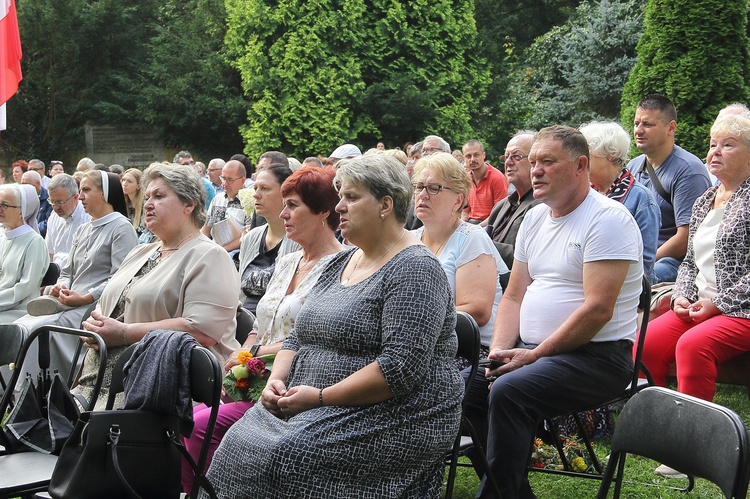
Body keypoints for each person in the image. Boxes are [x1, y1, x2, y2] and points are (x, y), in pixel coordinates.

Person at [204, 155, 462, 498]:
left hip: (396, 413)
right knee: (238, 443)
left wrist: (322, 398)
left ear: (386, 204)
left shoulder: (415, 269)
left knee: (288, 457)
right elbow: (298, 335)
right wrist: (276, 380)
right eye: (340, 196)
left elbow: (400, 369)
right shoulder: (340, 261)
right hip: (312, 401)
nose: (339, 206)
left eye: (352, 197)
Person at [467, 126, 643, 498]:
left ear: (581, 166)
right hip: (531, 352)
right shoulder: (534, 218)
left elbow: (598, 310)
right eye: (533, 162)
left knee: (511, 390)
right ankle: (514, 491)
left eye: (547, 161)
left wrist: (531, 356)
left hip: (597, 358)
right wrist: (498, 354)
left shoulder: (608, 220)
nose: (536, 170)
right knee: (470, 390)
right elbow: (513, 295)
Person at [183, 166, 343, 493]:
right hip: (254, 369)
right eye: (283, 204)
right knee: (189, 409)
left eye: (294, 205)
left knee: (201, 424)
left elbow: (308, 339)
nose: (283, 214)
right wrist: (240, 356)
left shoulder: (340, 267)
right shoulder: (288, 262)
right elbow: (260, 323)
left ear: (324, 211)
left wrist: (249, 356)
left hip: (292, 380)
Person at [75, 163, 240, 409]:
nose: (148, 204)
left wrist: (122, 333)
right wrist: (95, 325)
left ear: (189, 204)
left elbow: (201, 331)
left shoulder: (209, 256)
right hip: (97, 378)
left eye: (160, 196)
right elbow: (110, 301)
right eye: (148, 196)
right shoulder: (142, 250)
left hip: (158, 388)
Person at [640, 115, 750, 406]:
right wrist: (681, 296)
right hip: (700, 304)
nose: (715, 151)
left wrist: (718, 304)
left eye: (728, 145)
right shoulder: (705, 200)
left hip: (741, 310)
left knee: (692, 345)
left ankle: (693, 437)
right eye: (713, 144)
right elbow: (689, 261)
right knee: (645, 343)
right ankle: (654, 423)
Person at [15, 171, 138, 374]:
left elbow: (121, 280)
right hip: (70, 303)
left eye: (86, 190)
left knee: (37, 331)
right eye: (80, 191)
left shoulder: (121, 228)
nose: (80, 196)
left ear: (104, 193)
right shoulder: (84, 229)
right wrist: (61, 287)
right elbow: (67, 272)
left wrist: (85, 297)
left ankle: (35, 391)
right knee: (20, 326)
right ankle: (13, 390)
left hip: (94, 308)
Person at [412, 152, 506, 355]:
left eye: (434, 188)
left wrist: (415, 319)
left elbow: (478, 311)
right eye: (419, 187)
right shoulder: (410, 240)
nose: (422, 195)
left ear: (458, 201)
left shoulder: (471, 238)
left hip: (467, 351)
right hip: (422, 345)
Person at [628, 94, 710, 284]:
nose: (639, 130)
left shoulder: (688, 170)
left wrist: (641, 261)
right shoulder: (632, 167)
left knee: (630, 282)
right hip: (634, 256)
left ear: (671, 127)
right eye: (636, 123)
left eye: (647, 124)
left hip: (672, 262)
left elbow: (685, 239)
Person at [580, 121, 661, 277]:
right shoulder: (584, 193)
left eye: (587, 154)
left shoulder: (641, 199)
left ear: (610, 155)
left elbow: (644, 265)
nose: (581, 160)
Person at [237, 164, 299, 314]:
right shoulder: (251, 237)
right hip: (243, 320)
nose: (256, 195)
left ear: (285, 194)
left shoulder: (299, 240)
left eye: (265, 189)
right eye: (255, 188)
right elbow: (239, 292)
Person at [482, 131, 541, 268]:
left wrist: (482, 244)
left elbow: (529, 258)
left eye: (516, 156)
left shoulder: (542, 206)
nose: (508, 162)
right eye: (506, 157)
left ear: (535, 162)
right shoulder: (503, 204)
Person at [0, 184, 49, 322]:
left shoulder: (34, 242)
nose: (0, 209)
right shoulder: (4, 238)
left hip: (21, 309)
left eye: (4, 205)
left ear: (22, 210)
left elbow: (26, 286)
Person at [201, 160, 252, 252]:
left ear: (242, 180)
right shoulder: (217, 199)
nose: (225, 183)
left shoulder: (249, 201)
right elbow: (206, 229)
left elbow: (248, 235)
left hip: (237, 253)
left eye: (230, 180)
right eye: (223, 178)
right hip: (215, 249)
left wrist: (222, 250)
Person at [45, 173, 91, 268]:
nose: (55, 207)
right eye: (52, 201)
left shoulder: (88, 218)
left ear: (75, 197)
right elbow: (50, 253)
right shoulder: (54, 217)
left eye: (60, 202)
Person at [463, 139, 508, 223]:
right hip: (471, 223)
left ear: (483, 155)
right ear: (464, 158)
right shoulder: (466, 179)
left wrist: (477, 229)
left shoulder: (497, 178)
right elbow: (465, 211)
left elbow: (499, 213)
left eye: (476, 155)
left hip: (490, 225)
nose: (472, 159)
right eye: (468, 156)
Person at [20, 170, 53, 237]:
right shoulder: (20, 198)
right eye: (21, 184)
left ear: (38, 184)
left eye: (26, 184)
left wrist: (28, 231)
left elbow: (48, 224)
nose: (23, 187)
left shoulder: (49, 199)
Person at [121, 168, 145, 236]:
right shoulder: (122, 203)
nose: (124, 184)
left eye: (129, 181)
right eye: (123, 180)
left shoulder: (145, 204)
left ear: (139, 185)